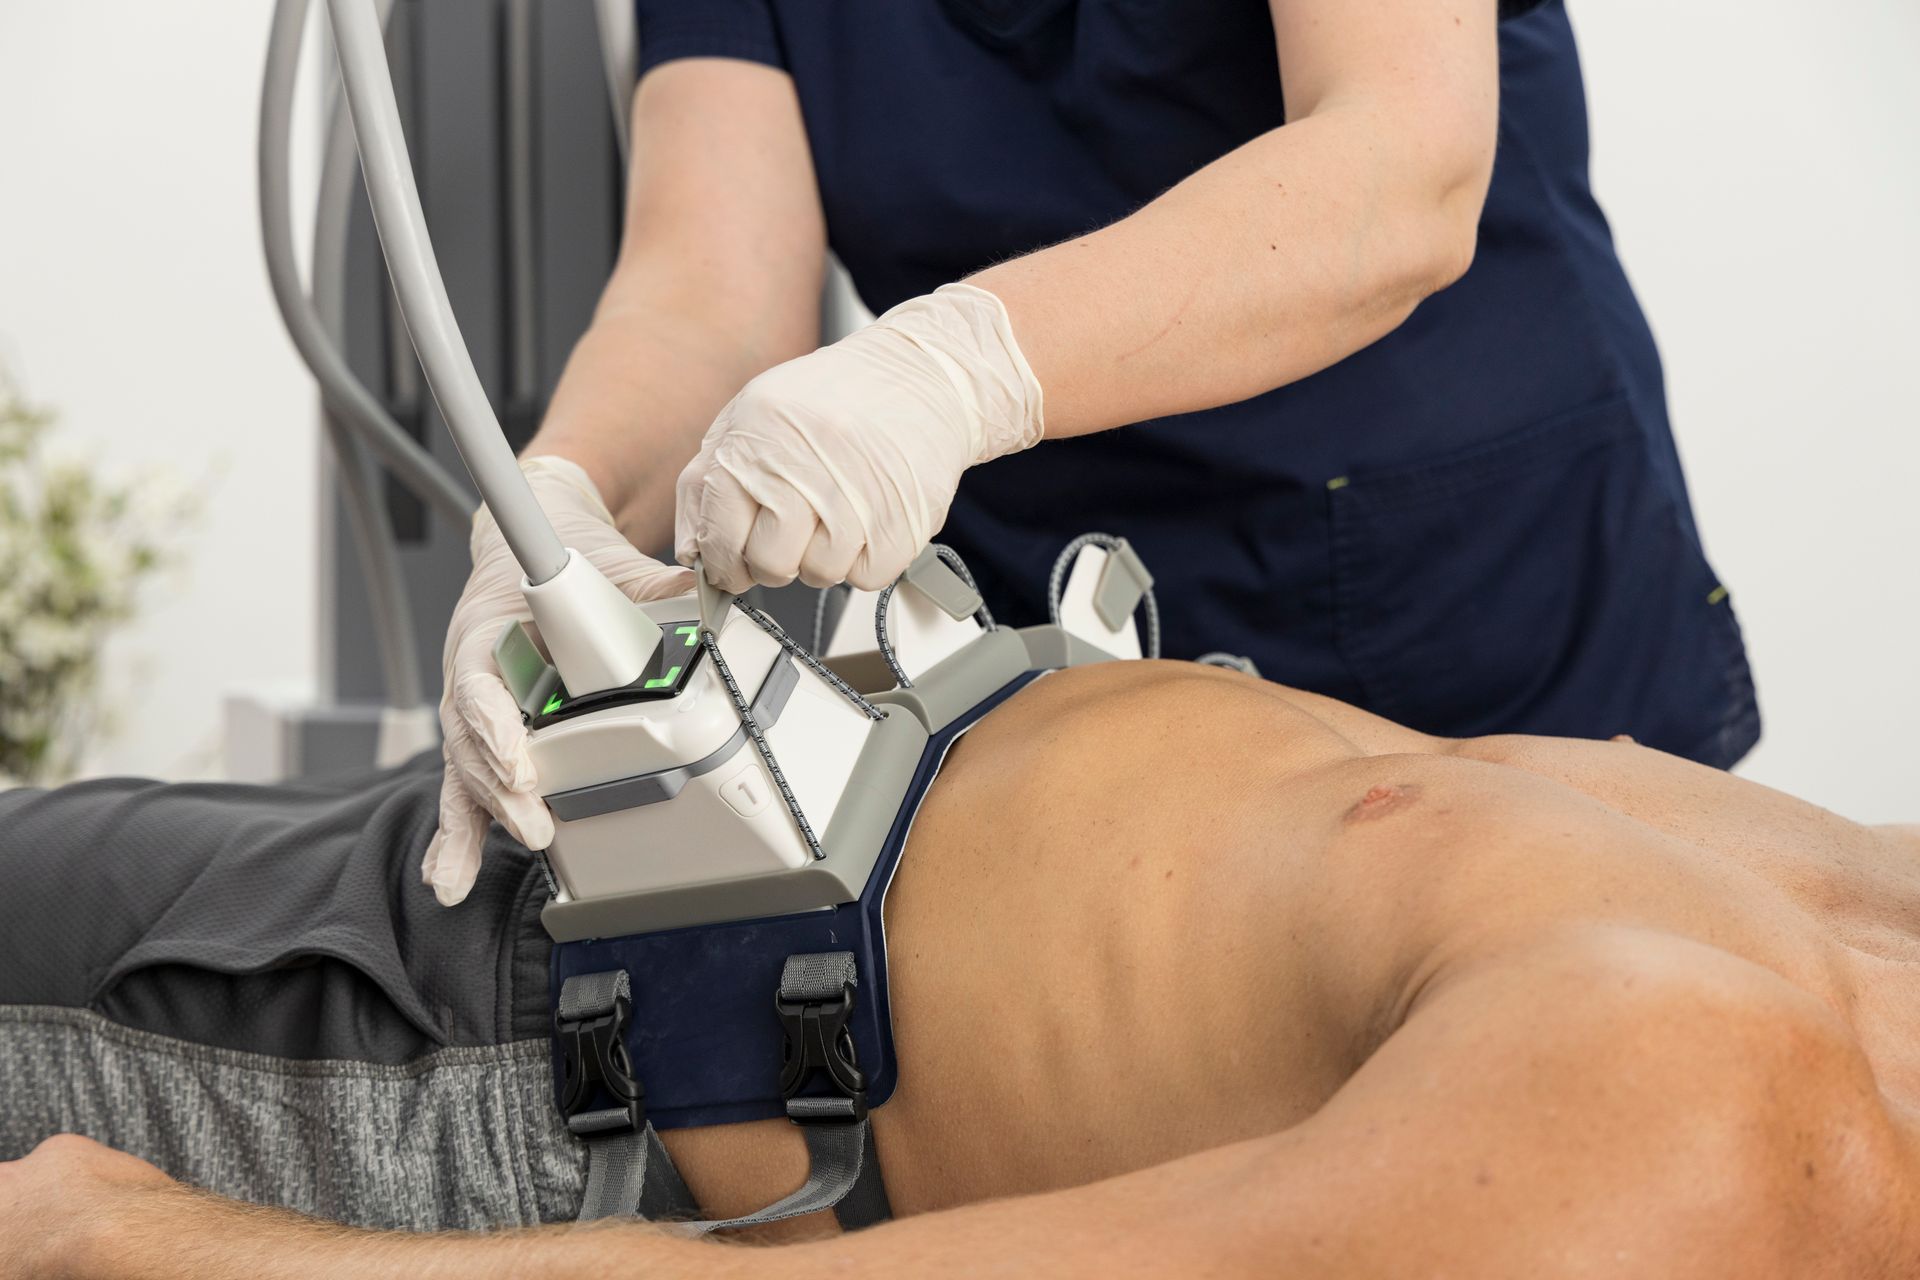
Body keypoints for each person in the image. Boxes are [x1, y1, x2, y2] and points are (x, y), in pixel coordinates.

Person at [425, 0, 1764, 909]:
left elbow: (1398, 167)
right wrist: (553, 510)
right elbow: (705, 292)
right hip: (1070, 670)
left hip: (1472, 611)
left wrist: (954, 368)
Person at [3, 657, 1914, 1275]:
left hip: (467, 1081)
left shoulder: (1733, 1138)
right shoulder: (1866, 911)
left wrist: (147, 1247)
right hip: (580, 847)